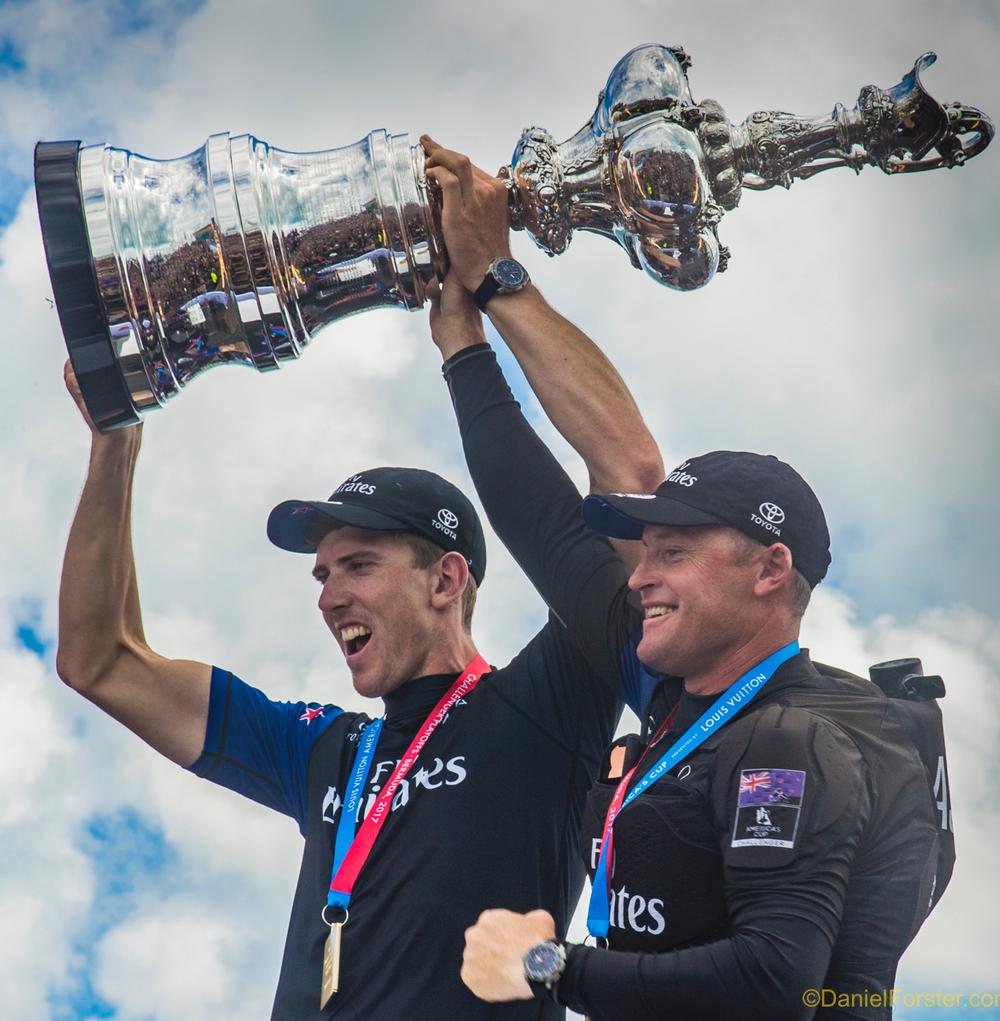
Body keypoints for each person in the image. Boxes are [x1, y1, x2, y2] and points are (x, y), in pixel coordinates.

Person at [54, 245, 664, 1015]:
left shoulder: (548, 702)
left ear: (446, 580)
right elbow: (99, 660)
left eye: (358, 566)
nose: (329, 596)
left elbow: (629, 488)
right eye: (322, 574)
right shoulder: (323, 749)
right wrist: (115, 441)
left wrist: (477, 323)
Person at [419, 141, 951, 1020]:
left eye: (673, 551)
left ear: (768, 570)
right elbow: (545, 524)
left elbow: (773, 981)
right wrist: (466, 332)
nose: (641, 575)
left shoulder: (788, 741)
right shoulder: (680, 691)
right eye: (644, 550)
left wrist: (550, 964)